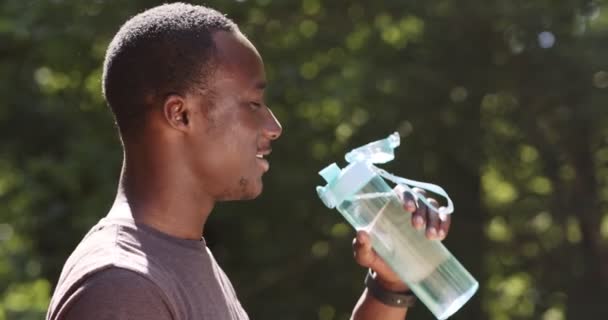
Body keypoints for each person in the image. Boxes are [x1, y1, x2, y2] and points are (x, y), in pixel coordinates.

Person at [45, 3, 452, 320]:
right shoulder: (123, 289)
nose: (273, 126)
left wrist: (389, 283)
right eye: (254, 103)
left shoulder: (180, 260)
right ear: (180, 114)